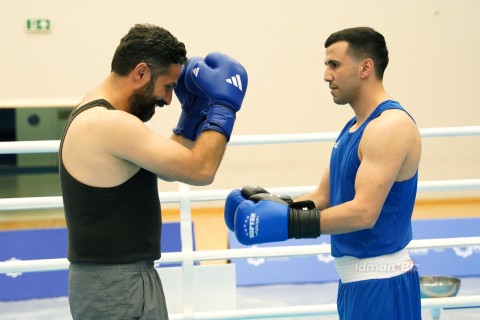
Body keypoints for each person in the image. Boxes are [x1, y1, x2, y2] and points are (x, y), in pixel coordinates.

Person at [224, 27, 422, 319]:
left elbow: (364, 213)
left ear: (365, 67)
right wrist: (277, 205)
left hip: (382, 281)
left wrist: (290, 224)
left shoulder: (390, 126)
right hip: (355, 282)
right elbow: (324, 195)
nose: (326, 75)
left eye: (334, 65)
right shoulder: (354, 126)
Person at [59, 23, 248, 319]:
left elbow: (171, 168)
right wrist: (224, 107)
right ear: (141, 72)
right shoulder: (109, 124)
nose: (168, 99)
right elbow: (201, 170)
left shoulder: (99, 114)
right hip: (116, 285)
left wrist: (193, 114)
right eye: (168, 86)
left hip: (118, 281)